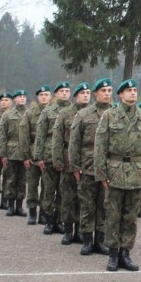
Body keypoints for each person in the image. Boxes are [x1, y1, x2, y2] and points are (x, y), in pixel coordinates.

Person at [94, 79, 141, 271]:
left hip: (137, 173)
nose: (132, 93)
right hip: (115, 171)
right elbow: (100, 147)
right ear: (120, 95)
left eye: (134, 90)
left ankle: (125, 253)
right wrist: (102, 174)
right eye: (128, 90)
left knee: (130, 217)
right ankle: (113, 254)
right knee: (112, 215)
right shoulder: (110, 116)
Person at [69, 78, 112, 256]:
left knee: (104, 205)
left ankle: (100, 240)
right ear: (96, 94)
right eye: (103, 91)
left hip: (109, 168)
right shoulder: (84, 114)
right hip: (87, 166)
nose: (107, 93)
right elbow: (74, 142)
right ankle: (87, 239)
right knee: (86, 205)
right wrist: (74, 166)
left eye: (110, 90)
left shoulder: (115, 113)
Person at [52, 82, 90, 245]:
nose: (86, 96)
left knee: (84, 199)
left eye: (88, 93)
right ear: (76, 96)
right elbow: (57, 139)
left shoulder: (92, 113)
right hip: (68, 161)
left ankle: (80, 231)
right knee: (68, 198)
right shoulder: (65, 113)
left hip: (87, 161)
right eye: (82, 93)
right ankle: (68, 230)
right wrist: (58, 160)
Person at [34, 81, 72, 235]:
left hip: (66, 157)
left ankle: (59, 220)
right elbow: (40, 135)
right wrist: (38, 157)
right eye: (61, 91)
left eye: (67, 91)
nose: (64, 93)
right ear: (55, 94)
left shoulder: (74, 111)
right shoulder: (48, 112)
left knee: (64, 191)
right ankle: (49, 220)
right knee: (49, 190)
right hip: (49, 156)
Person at [20, 85, 52, 225]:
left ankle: (44, 213)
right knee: (32, 185)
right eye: (41, 95)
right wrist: (26, 156)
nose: (44, 97)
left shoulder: (55, 113)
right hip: (33, 156)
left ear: (50, 96)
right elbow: (24, 136)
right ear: (38, 97)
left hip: (48, 156)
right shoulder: (30, 114)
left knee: (47, 186)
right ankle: (32, 212)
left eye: (46, 94)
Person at [0, 90, 28, 218]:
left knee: (22, 180)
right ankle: (10, 205)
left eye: (24, 97)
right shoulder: (7, 115)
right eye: (19, 97)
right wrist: (3, 154)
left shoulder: (29, 114)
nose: (22, 99)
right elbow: (2, 135)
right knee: (10, 179)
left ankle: (19, 206)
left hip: (25, 152)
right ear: (14, 99)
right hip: (11, 151)